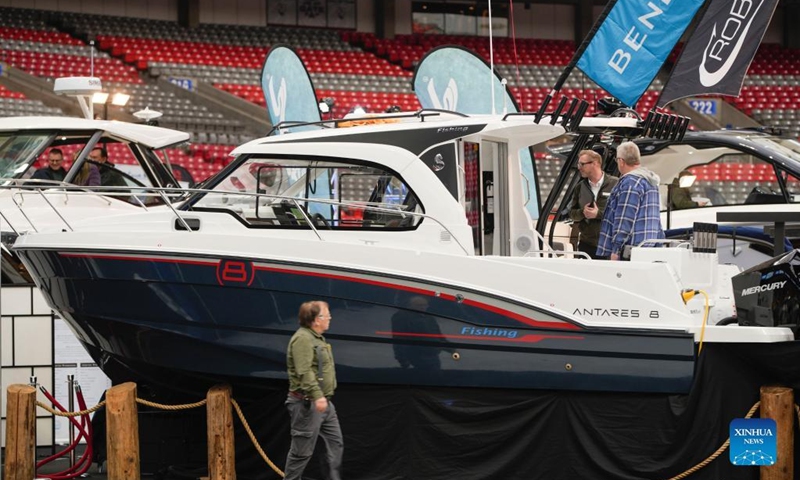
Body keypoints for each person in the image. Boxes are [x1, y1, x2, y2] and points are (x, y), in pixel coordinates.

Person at [284, 300, 343, 480]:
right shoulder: (302, 339)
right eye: (327, 315)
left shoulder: (316, 338)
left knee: (335, 445)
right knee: (301, 453)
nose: (330, 318)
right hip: (307, 404)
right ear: (316, 320)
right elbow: (304, 371)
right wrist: (317, 396)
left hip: (324, 404)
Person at [597, 141, 665, 261]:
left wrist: (616, 250)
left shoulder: (630, 182)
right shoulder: (651, 182)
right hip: (648, 249)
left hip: (629, 252)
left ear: (621, 161)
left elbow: (625, 219)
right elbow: (656, 219)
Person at [568, 150, 618, 259]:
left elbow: (622, 214)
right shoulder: (579, 187)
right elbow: (572, 214)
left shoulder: (615, 184)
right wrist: (582, 212)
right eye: (578, 164)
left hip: (610, 245)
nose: (579, 167)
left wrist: (598, 214)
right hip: (587, 245)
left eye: (582, 164)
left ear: (595, 163)